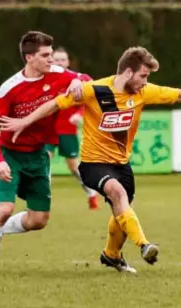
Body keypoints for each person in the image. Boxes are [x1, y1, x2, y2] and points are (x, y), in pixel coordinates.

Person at [0, 46, 181, 273]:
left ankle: (112, 255)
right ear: (128, 72)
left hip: (122, 164)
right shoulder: (95, 90)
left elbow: (180, 94)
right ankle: (144, 245)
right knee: (118, 193)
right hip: (93, 164)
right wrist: (24, 121)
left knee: (121, 212)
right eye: (143, 76)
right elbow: (53, 105)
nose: (146, 82)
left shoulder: (144, 92)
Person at [0, 31, 83, 276]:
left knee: (39, 220)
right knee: (5, 208)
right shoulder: (10, 88)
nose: (51, 60)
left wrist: (77, 81)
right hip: (10, 154)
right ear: (29, 57)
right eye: (45, 55)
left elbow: (83, 79)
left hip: (39, 156)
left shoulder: (58, 74)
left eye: (52, 54)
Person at [48, 47, 99, 210]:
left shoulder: (76, 78)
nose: (60, 62)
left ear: (68, 62)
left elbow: (90, 91)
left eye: (63, 59)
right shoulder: (45, 79)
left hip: (66, 130)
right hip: (47, 130)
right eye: (56, 60)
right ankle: (42, 200)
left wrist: (80, 113)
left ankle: (91, 192)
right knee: (43, 161)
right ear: (51, 61)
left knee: (74, 166)